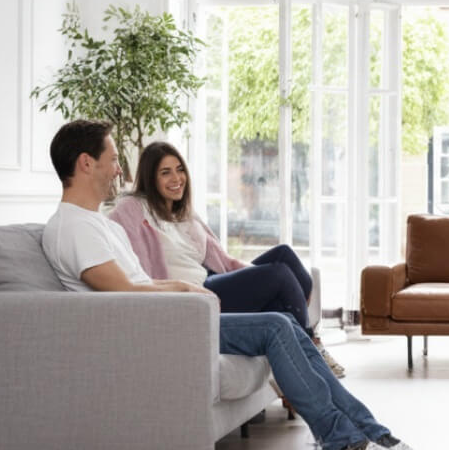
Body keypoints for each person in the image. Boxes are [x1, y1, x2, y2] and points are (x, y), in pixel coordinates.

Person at [41, 119, 442, 450]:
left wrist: (190, 290)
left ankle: (377, 439)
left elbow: (138, 282)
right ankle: (352, 448)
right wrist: (184, 289)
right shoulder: (73, 229)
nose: (118, 169)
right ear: (85, 163)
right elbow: (124, 293)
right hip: (157, 327)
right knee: (275, 325)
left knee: (285, 326)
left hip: (172, 317)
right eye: (112, 159)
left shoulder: (94, 223)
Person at [108, 141, 345, 378]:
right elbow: (127, 253)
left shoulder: (184, 213)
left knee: (283, 255)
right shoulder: (133, 208)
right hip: (193, 292)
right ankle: (311, 347)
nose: (176, 178)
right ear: (150, 178)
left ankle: (301, 334)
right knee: (279, 274)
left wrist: (250, 277)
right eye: (165, 172)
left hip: (212, 279)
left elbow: (221, 258)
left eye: (180, 169)